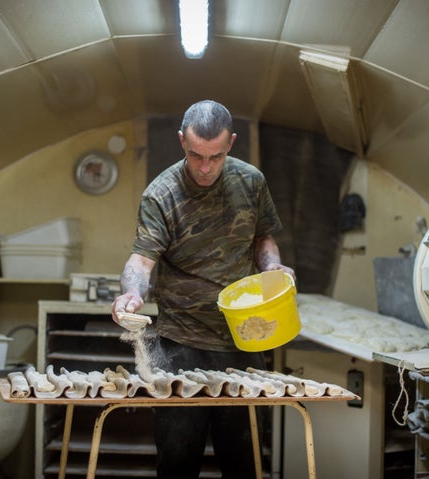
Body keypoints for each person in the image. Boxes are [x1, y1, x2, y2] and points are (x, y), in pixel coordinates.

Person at [111, 99, 295, 478]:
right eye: (196, 156)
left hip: (244, 339)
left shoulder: (251, 181)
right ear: (182, 141)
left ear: (231, 143)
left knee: (243, 460)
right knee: (178, 460)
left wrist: (273, 266)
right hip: (179, 343)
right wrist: (132, 293)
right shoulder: (160, 194)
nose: (205, 168)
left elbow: (263, 239)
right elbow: (141, 261)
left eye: (215, 156)